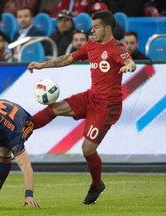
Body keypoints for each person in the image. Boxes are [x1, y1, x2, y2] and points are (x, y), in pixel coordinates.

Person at [28, 10, 136, 205]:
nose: (92, 30)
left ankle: (97, 184)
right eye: (92, 27)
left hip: (107, 107)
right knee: (55, 108)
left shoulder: (117, 48)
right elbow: (67, 59)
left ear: (107, 28)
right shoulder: (91, 46)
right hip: (90, 97)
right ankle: (23, 128)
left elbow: (129, 62)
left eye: (96, 27)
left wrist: (129, 66)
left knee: (87, 149)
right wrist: (42, 65)